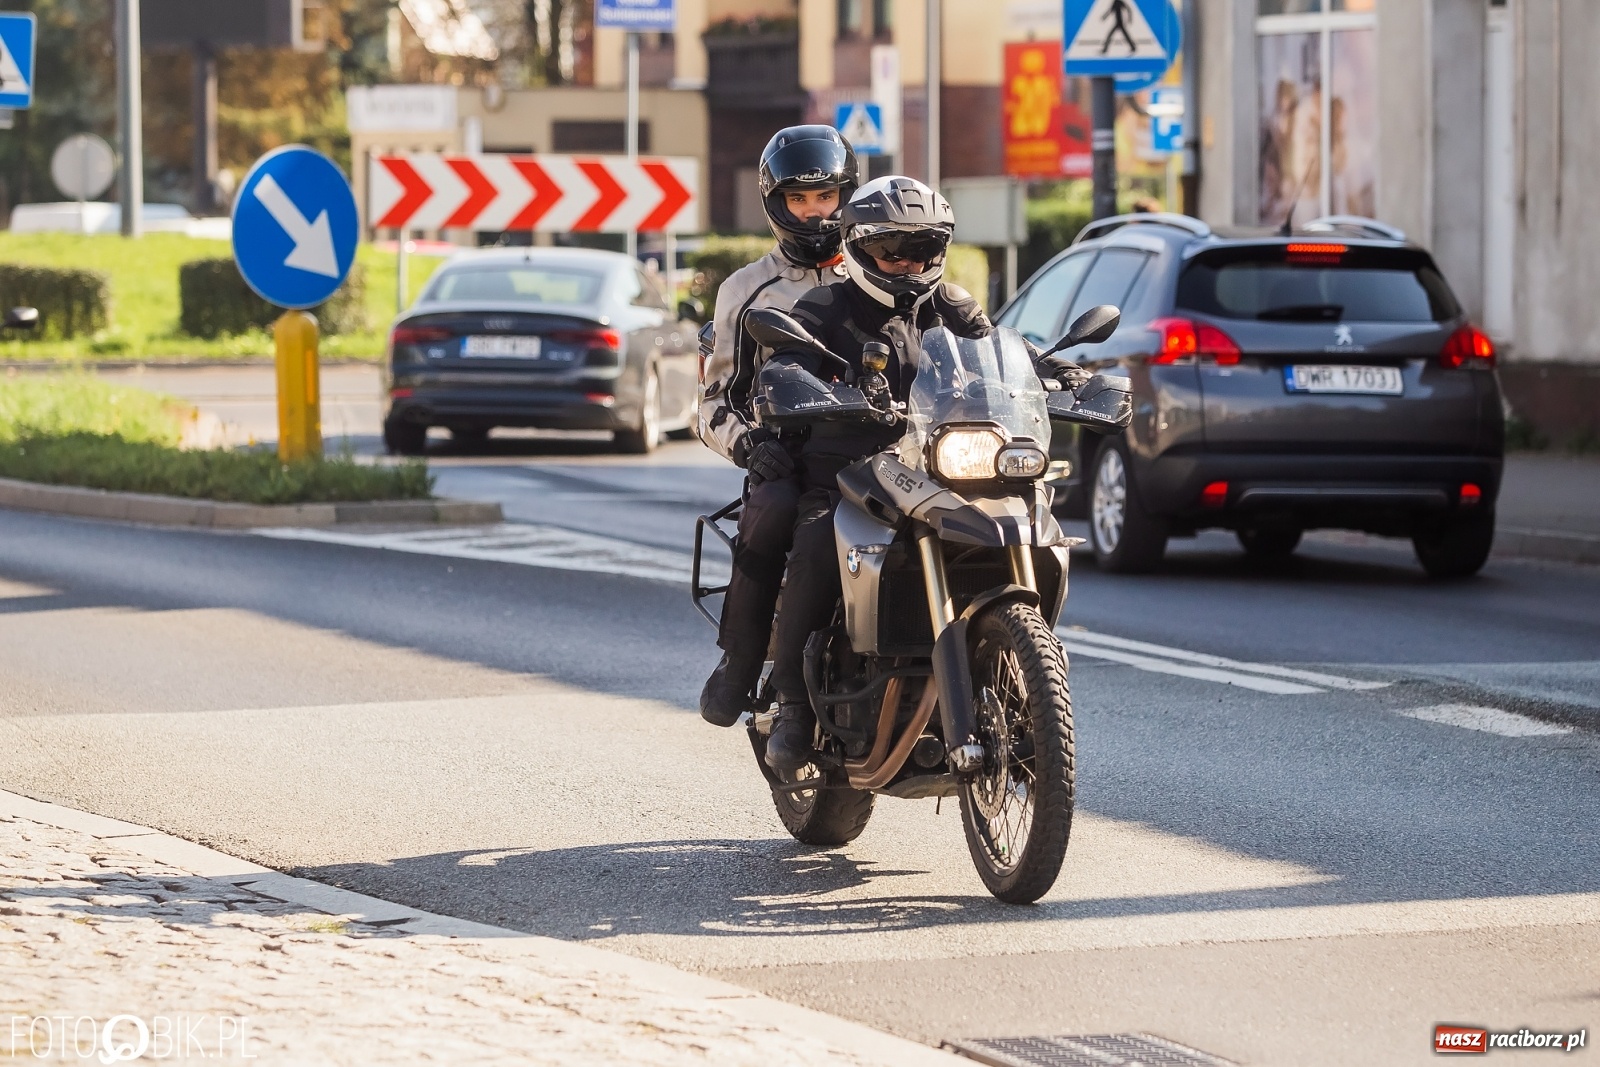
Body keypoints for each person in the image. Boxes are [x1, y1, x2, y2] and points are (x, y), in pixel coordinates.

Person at [760, 176, 1091, 770]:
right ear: (857, 246)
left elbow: (997, 357)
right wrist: (800, 384)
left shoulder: (954, 305)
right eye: (891, 249)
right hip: (849, 471)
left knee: (1028, 519)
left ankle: (1012, 672)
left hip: (935, 464)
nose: (906, 262)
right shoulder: (824, 306)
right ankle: (792, 706)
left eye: (922, 249)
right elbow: (787, 362)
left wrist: (1057, 374)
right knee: (813, 542)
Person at [696, 126, 859, 728]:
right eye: (799, 199)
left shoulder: (881, 272)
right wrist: (750, 445)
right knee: (772, 511)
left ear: (847, 195)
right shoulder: (746, 289)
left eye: (826, 196)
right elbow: (713, 401)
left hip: (882, 446)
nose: (816, 212)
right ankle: (741, 660)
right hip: (789, 454)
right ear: (776, 203)